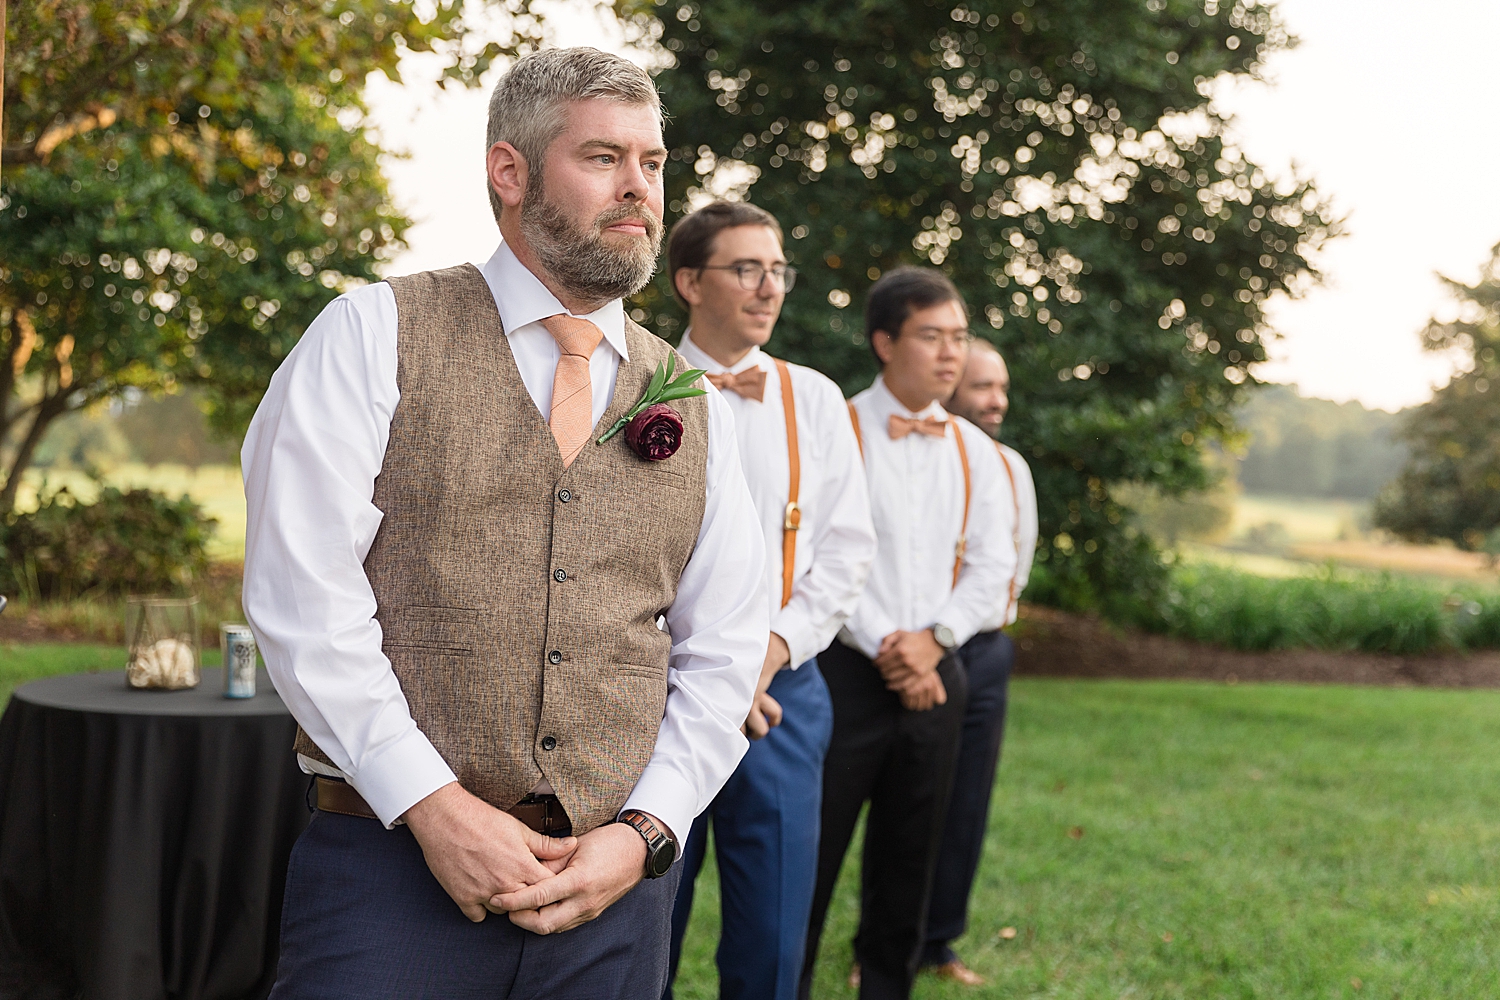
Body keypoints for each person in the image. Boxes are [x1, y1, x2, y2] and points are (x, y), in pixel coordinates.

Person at [241, 48, 768, 999]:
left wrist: (647, 832)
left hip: (612, 900)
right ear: (509, 170)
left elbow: (724, 648)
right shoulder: (372, 333)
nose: (639, 189)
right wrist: (435, 808)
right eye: (604, 158)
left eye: (653, 163)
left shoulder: (694, 402)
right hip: (388, 874)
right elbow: (303, 596)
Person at [664, 201, 876, 1000]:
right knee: (644, 916)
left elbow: (847, 550)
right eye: (745, 268)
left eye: (776, 270)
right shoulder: (642, 382)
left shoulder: (816, 400)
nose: (768, 287)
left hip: (782, 698)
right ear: (690, 281)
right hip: (659, 690)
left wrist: (767, 654)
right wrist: (706, 670)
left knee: (774, 933)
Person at [801, 267, 1016, 1000]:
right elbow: (822, 554)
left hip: (940, 671)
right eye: (933, 337)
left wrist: (935, 640)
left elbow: (993, 566)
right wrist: (892, 649)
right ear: (885, 341)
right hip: (846, 673)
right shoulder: (838, 430)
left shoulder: (976, 451)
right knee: (813, 855)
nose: (951, 354)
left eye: (958, 338)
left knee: (910, 858)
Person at [919, 338, 1039, 986]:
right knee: (907, 800)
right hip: (911, 646)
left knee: (967, 803)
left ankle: (940, 943)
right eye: (983, 388)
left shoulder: (1012, 468)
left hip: (985, 650)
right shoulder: (913, 457)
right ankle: (877, 944)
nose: (997, 402)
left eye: (1002, 389)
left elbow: (1012, 566)